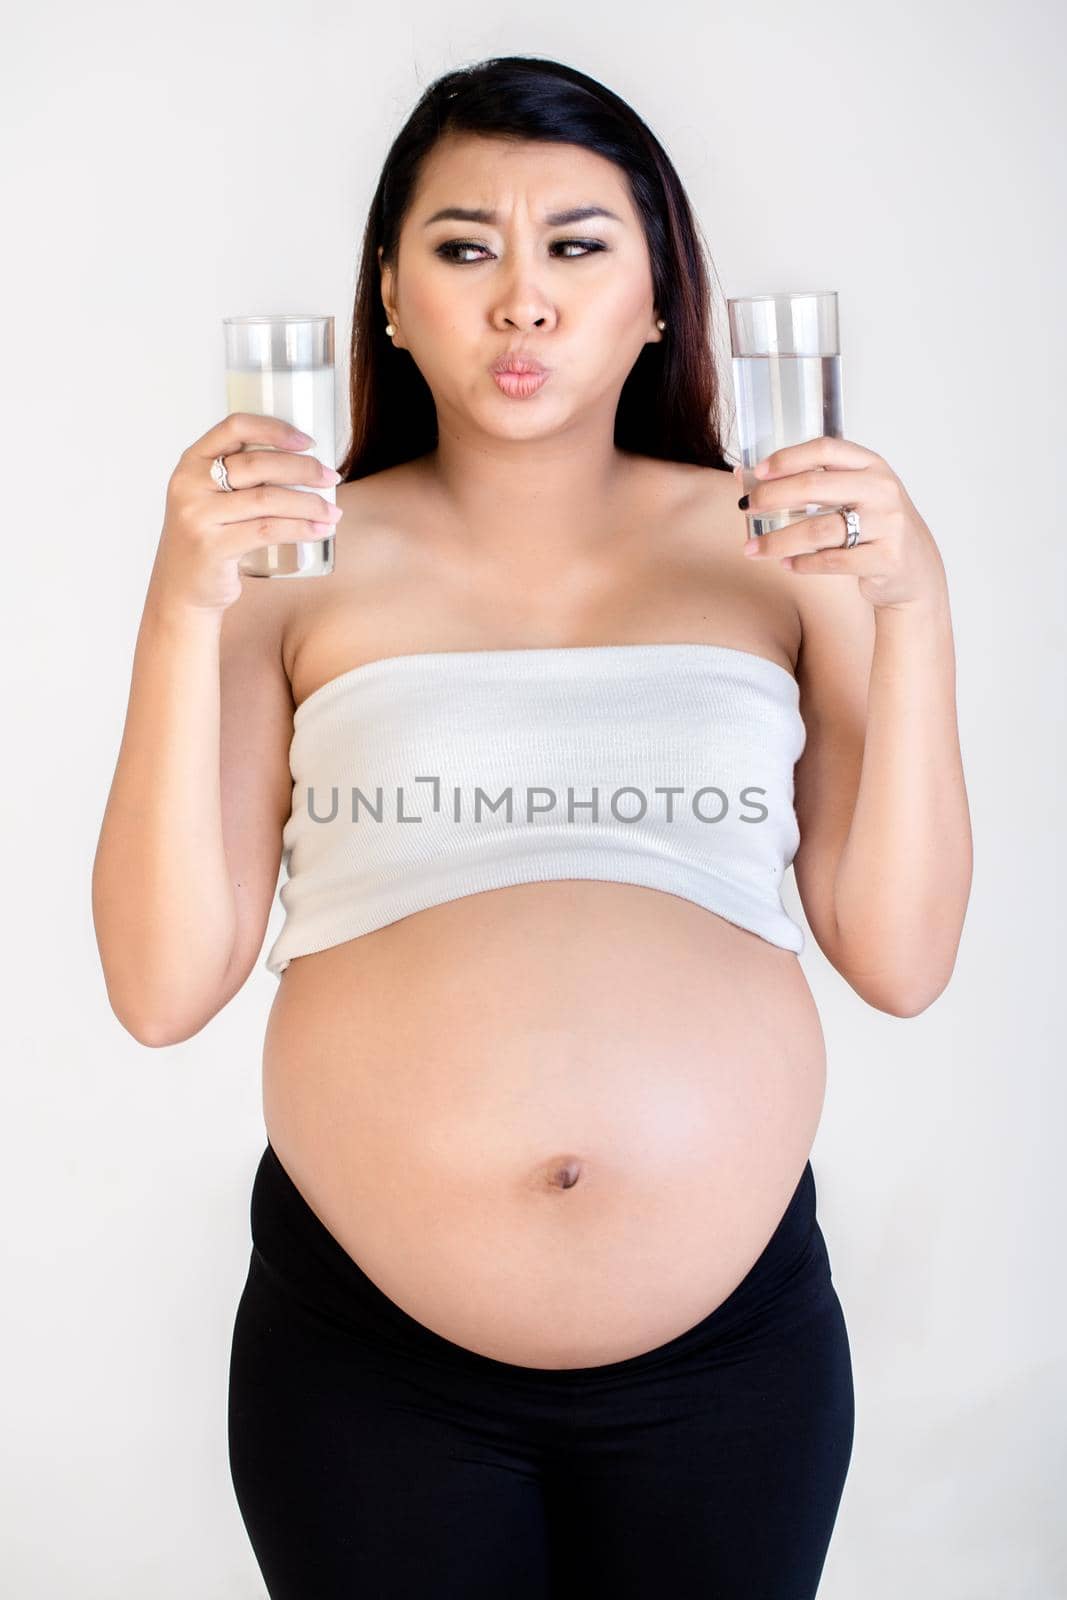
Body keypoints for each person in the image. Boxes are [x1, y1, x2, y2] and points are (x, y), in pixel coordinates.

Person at [91, 53, 972, 1600]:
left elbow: (899, 958)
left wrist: (919, 608)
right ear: (388, 294)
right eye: (463, 246)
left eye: (576, 245)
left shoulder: (786, 544)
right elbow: (162, 989)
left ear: (655, 299)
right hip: (368, 1369)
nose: (521, 300)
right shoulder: (292, 563)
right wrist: (179, 606)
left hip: (729, 1366)